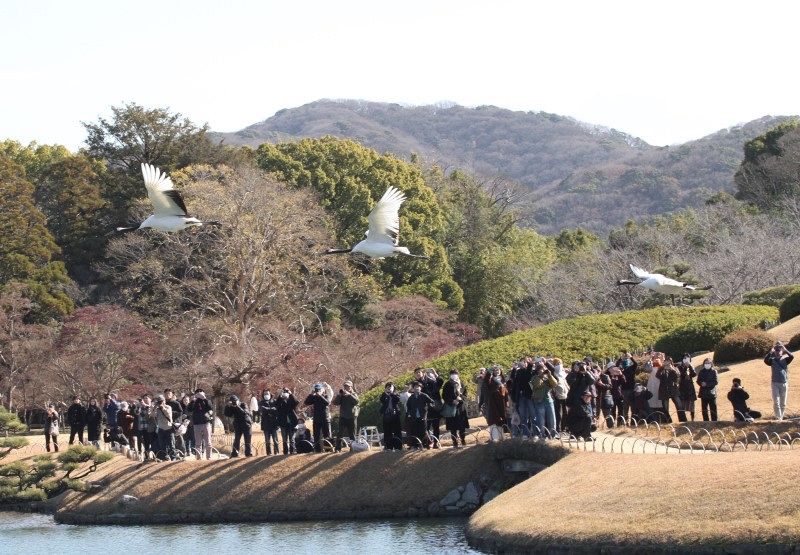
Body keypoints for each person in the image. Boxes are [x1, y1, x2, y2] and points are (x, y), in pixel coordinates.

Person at [764, 341, 793, 421]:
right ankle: (778, 418)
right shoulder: (772, 360)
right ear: (774, 351)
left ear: (781, 351)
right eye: (776, 350)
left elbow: (792, 356)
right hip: (775, 383)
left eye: (779, 350)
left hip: (784, 383)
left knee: (783, 403)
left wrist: (785, 349)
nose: (777, 352)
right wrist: (770, 352)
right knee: (776, 402)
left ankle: (781, 418)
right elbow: (765, 360)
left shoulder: (786, 360)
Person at [530, 360, 558, 437]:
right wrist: (541, 375)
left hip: (549, 400)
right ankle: (541, 434)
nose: (543, 371)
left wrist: (549, 375)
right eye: (540, 369)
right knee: (541, 420)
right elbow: (537, 385)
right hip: (539, 401)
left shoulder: (548, 377)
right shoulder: (535, 378)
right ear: (538, 370)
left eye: (543, 369)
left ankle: (553, 435)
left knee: (552, 420)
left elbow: (555, 384)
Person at [442, 370, 469, 447]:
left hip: (461, 407)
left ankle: (463, 440)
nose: (454, 375)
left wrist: (461, 398)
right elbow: (444, 396)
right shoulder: (447, 384)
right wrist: (452, 401)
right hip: (451, 407)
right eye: (452, 374)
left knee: (462, 425)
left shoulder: (462, 383)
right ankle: (455, 442)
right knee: (453, 426)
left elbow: (465, 395)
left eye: (455, 374)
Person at [405, 381, 435, 449]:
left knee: (424, 431)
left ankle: (427, 444)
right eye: (415, 387)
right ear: (413, 388)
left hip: (423, 416)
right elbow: (408, 406)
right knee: (415, 431)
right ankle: (416, 445)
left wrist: (428, 407)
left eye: (418, 387)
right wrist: (409, 414)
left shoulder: (424, 395)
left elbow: (432, 402)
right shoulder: (411, 397)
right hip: (414, 417)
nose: (417, 388)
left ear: (421, 388)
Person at [304, 383, 332, 453]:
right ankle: (318, 451)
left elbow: (327, 403)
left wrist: (320, 396)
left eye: (319, 389)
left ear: (323, 390)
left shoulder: (326, 396)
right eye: (316, 389)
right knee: (316, 436)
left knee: (327, 435)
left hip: (325, 419)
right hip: (316, 419)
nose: (317, 391)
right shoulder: (314, 397)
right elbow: (306, 402)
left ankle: (328, 450)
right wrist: (311, 394)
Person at [332, 380, 359, 452]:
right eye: (345, 387)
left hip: (352, 417)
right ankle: (338, 448)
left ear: (351, 387)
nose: (346, 388)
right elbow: (335, 403)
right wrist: (339, 396)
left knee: (352, 433)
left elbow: (357, 401)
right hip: (343, 417)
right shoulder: (341, 395)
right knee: (340, 433)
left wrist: (349, 395)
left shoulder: (354, 394)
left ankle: (353, 448)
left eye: (348, 387)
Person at [657, 358, 686, 423]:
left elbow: (678, 377)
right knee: (665, 407)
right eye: (666, 362)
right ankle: (668, 421)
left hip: (673, 390)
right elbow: (658, 376)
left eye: (669, 362)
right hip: (664, 390)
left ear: (671, 362)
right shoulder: (662, 369)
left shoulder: (674, 368)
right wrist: (662, 367)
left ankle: (683, 420)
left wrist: (672, 369)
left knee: (679, 405)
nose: (667, 363)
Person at [420, 369, 444, 448]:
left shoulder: (435, 384)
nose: (430, 376)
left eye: (431, 375)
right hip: (427, 408)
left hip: (435, 408)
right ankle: (428, 442)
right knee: (426, 427)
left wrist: (435, 373)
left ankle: (436, 443)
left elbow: (441, 381)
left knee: (436, 427)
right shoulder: (423, 384)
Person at [187, 389, 214, 460]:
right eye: (197, 393)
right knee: (198, 442)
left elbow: (210, 407)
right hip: (196, 424)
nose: (199, 395)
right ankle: (198, 458)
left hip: (206, 423)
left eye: (200, 393)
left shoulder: (206, 400)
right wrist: (193, 401)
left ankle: (209, 457)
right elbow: (189, 409)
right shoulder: (194, 401)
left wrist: (204, 398)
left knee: (208, 441)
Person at [485, 366, 508, 434]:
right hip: (495, 399)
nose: (497, 371)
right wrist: (489, 372)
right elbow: (486, 381)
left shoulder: (503, 378)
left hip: (504, 399)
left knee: (505, 415)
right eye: (495, 370)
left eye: (498, 370)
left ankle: (506, 430)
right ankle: (499, 432)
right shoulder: (491, 379)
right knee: (497, 416)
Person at [379, 382, 402, 450]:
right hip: (386, 415)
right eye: (387, 387)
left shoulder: (396, 394)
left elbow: (397, 400)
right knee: (387, 432)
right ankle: (388, 447)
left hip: (395, 415)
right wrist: (386, 394)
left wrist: (392, 393)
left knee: (397, 431)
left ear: (393, 388)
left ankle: (398, 446)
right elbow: (382, 400)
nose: (389, 389)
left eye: (390, 387)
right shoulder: (383, 395)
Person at [616, 351, 638, 422]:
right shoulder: (622, 370)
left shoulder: (630, 368)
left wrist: (630, 357)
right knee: (627, 407)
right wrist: (621, 358)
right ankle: (626, 421)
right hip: (625, 390)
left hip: (630, 389)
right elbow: (616, 365)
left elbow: (635, 363)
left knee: (630, 407)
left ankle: (631, 421)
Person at [276, 388, 299, 455]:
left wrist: (291, 393)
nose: (285, 396)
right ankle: (285, 452)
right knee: (284, 439)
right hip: (283, 424)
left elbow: (296, 401)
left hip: (292, 423)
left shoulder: (291, 402)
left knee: (291, 439)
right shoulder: (281, 403)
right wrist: (280, 395)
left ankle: (292, 452)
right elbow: (277, 404)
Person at [154, 394, 176, 460]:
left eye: (161, 401)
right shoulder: (157, 409)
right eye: (159, 402)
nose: (160, 403)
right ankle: (164, 457)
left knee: (171, 444)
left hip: (168, 428)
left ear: (164, 401)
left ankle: (173, 457)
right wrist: (154, 408)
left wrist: (163, 408)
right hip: (161, 428)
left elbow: (168, 415)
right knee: (162, 445)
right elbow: (152, 416)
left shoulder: (168, 407)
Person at [259, 389, 280, 455]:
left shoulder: (274, 401)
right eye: (265, 394)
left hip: (274, 424)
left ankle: (276, 452)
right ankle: (268, 453)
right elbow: (262, 409)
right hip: (265, 424)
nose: (266, 395)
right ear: (263, 395)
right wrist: (271, 409)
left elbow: (276, 410)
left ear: (270, 394)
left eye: (267, 393)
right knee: (267, 440)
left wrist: (268, 410)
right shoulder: (260, 402)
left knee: (275, 440)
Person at [551, 358, 569, 432]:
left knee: (566, 412)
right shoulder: (553, 373)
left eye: (560, 363)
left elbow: (566, 384)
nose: (559, 365)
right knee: (558, 414)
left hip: (565, 395)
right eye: (557, 364)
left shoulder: (563, 373)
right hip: (557, 396)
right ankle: (558, 429)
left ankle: (564, 428)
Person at [677, 354, 698, 421]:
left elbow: (694, 374)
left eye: (688, 358)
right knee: (682, 404)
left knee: (691, 405)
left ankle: (692, 419)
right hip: (682, 388)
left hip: (690, 387)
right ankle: (683, 419)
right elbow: (681, 375)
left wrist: (690, 367)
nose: (686, 360)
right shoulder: (679, 367)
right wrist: (685, 367)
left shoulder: (691, 366)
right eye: (685, 358)